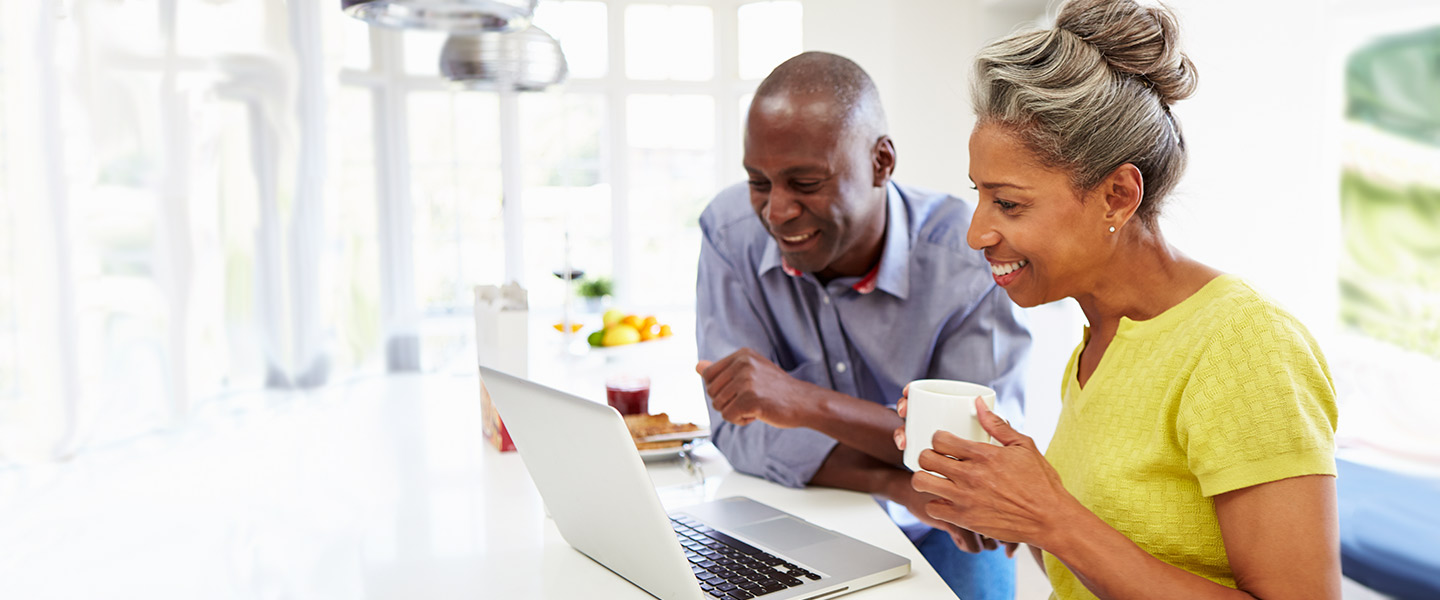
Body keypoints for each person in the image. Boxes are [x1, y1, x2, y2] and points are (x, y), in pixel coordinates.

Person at [893, 1, 1342, 598]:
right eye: (978, 196)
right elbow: (1119, 549)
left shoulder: (1246, 349)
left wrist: (1053, 518)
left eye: (1009, 203)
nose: (976, 234)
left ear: (1117, 196)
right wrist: (996, 502)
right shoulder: (1101, 341)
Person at [694, 51, 1033, 600]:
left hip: (945, 526)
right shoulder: (730, 232)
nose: (777, 211)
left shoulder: (967, 259)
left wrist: (803, 404)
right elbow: (739, 429)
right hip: (801, 522)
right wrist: (896, 481)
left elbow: (975, 462)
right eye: (759, 182)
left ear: (881, 162)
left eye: (805, 182)